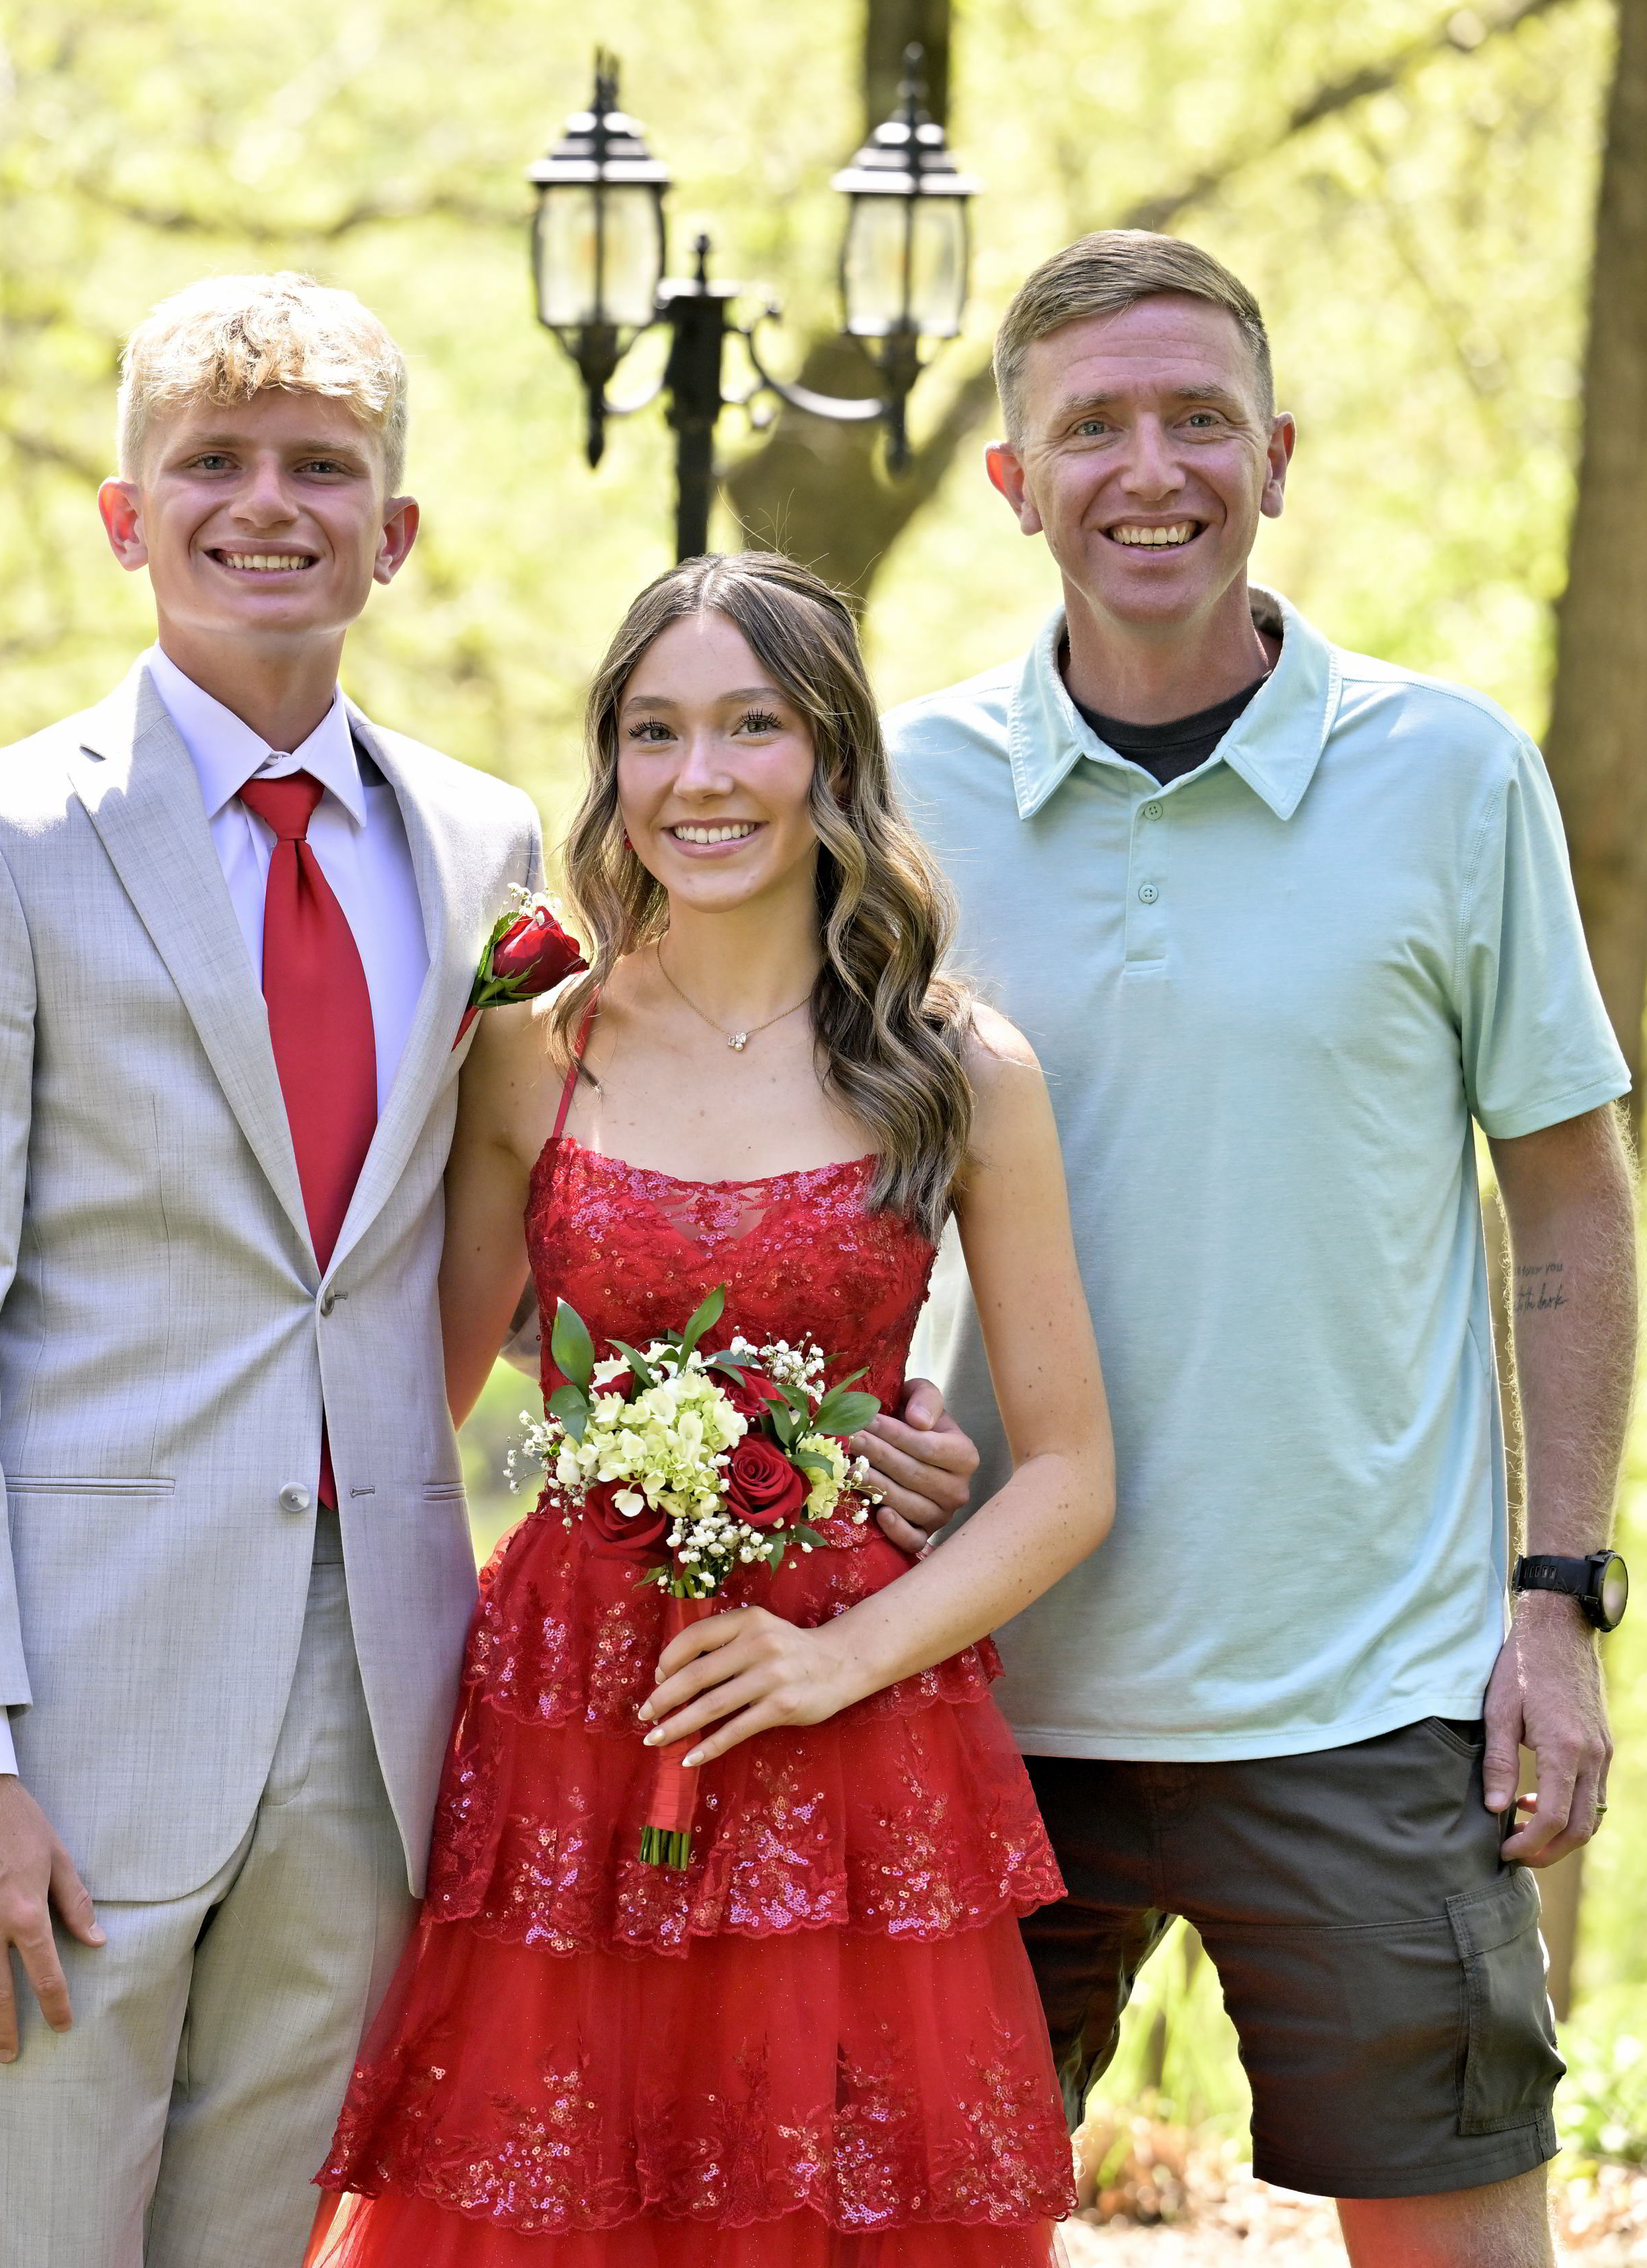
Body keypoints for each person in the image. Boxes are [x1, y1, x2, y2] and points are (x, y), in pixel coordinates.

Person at [0, 278, 990, 2268]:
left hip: (394, 1703)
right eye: (211, 462)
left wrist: (835, 1426)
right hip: (69, 1704)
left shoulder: (480, 844)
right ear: (124, 515)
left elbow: (553, 1255)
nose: (265, 504)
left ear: (396, 530)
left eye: (321, 468)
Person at [888, 231, 1640, 2265]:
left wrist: (1558, 1598)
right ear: (1012, 481)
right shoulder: (897, 790)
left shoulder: (1450, 772)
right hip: (970, 1687)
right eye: (1092, 428)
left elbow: (1570, 1192)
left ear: (1277, 457)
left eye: (1199, 419)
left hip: (1372, 1703)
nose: (1151, 469)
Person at [313, 553, 1115, 2265]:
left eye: (752, 725)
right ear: (610, 763)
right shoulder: (535, 1045)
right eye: (655, 731)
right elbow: (414, 1399)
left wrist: (839, 1655)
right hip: (568, 1713)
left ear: (832, 753)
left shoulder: (960, 1068)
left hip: (852, 1716)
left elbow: (1068, 1474)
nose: (701, 776)